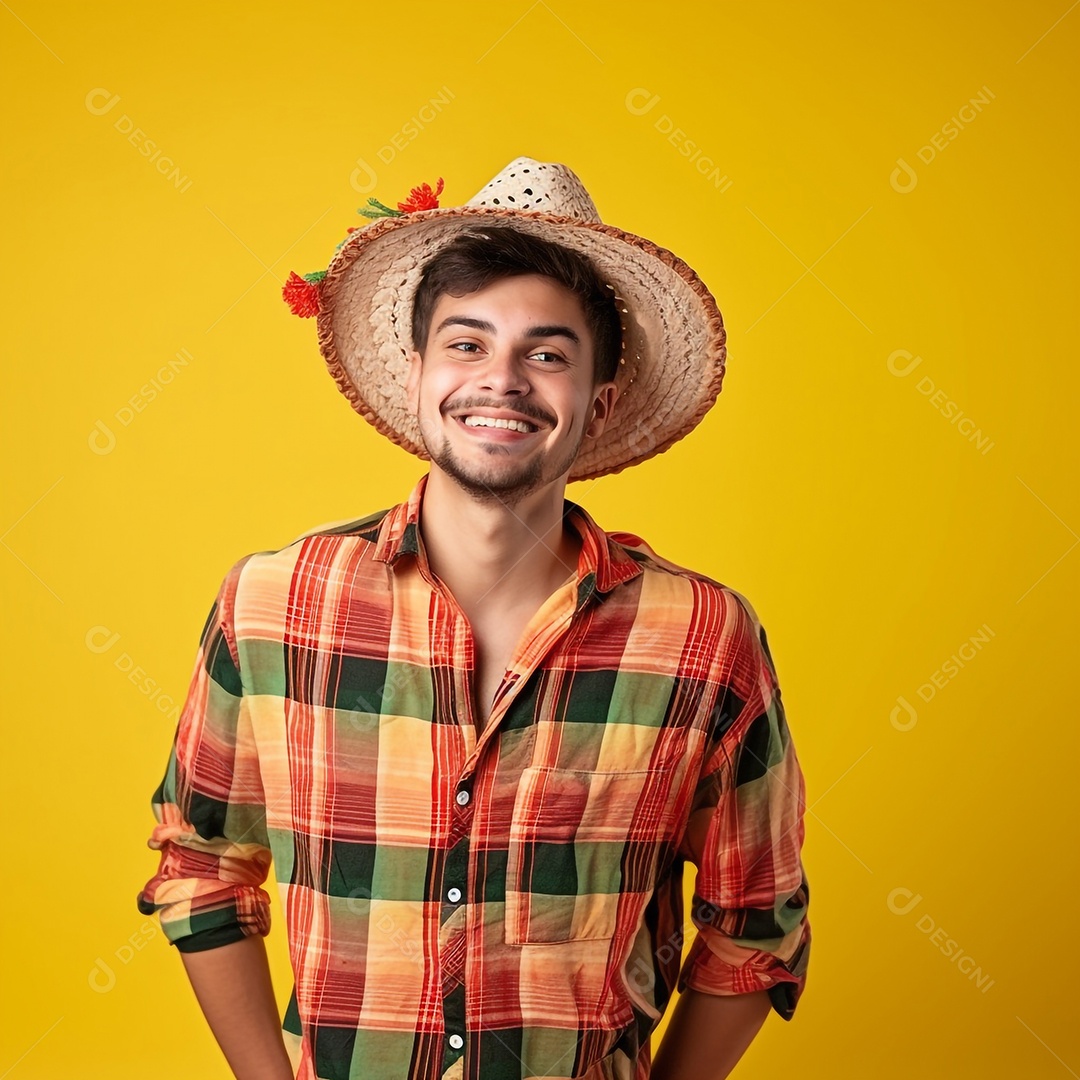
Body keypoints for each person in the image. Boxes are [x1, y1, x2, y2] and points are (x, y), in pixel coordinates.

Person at [136, 156, 811, 1080]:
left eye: (547, 352)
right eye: (466, 343)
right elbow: (202, 868)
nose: (503, 380)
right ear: (417, 378)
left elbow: (755, 919)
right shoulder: (274, 604)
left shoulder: (702, 636)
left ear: (597, 403)